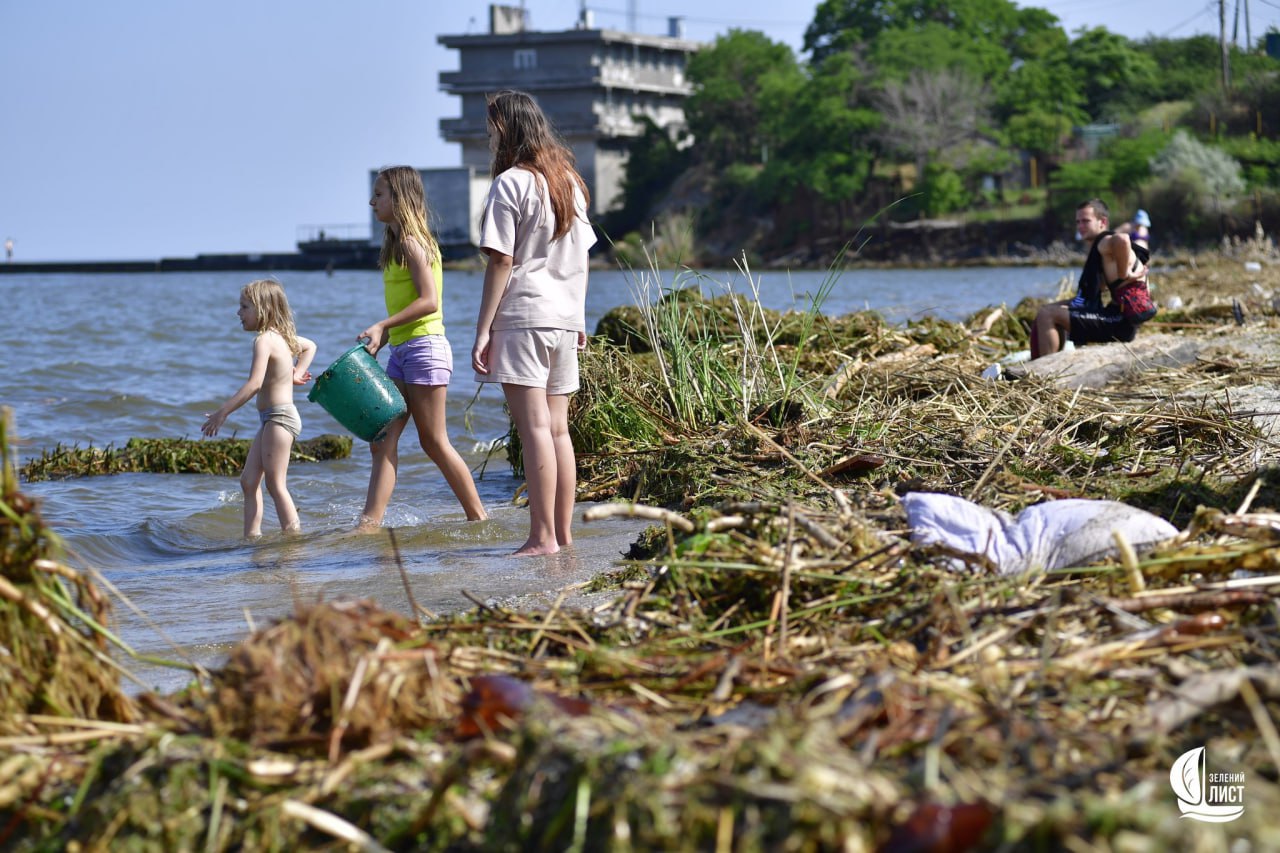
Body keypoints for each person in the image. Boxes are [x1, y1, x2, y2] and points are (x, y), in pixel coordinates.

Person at [472, 90, 596, 556]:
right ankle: (562, 535)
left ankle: (541, 537)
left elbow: (501, 261)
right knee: (558, 430)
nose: (487, 136)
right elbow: (581, 260)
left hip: (524, 315)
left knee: (535, 430)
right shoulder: (569, 182)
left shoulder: (510, 182)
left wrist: (483, 329)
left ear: (504, 128)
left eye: (490, 127)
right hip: (564, 319)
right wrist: (578, 317)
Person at [357, 165, 488, 529]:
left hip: (424, 349)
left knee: (434, 442)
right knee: (382, 439)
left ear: (399, 198)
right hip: (403, 350)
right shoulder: (396, 245)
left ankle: (478, 517)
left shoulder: (415, 243)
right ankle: (369, 524)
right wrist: (385, 336)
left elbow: (430, 302)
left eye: (379, 194)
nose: (372, 202)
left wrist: (383, 324)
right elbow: (408, 304)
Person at [202, 279, 317, 538]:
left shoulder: (265, 340)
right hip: (271, 420)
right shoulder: (281, 338)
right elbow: (310, 345)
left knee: (276, 485)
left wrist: (223, 412)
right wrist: (294, 372)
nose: (238, 313)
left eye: (244, 307)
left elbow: (254, 383)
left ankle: (294, 539)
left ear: (262, 309)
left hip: (280, 419)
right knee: (249, 481)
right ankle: (251, 539)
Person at [1029, 198, 1151, 360]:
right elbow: (1089, 296)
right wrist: (1055, 305)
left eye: (1086, 221)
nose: (1080, 226)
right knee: (1048, 310)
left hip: (1120, 322)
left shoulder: (1104, 241)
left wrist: (1125, 274)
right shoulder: (1103, 253)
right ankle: (1053, 361)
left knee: (1047, 315)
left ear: (1103, 222)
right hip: (1118, 319)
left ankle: (1044, 369)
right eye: (1078, 222)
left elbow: (1123, 239)